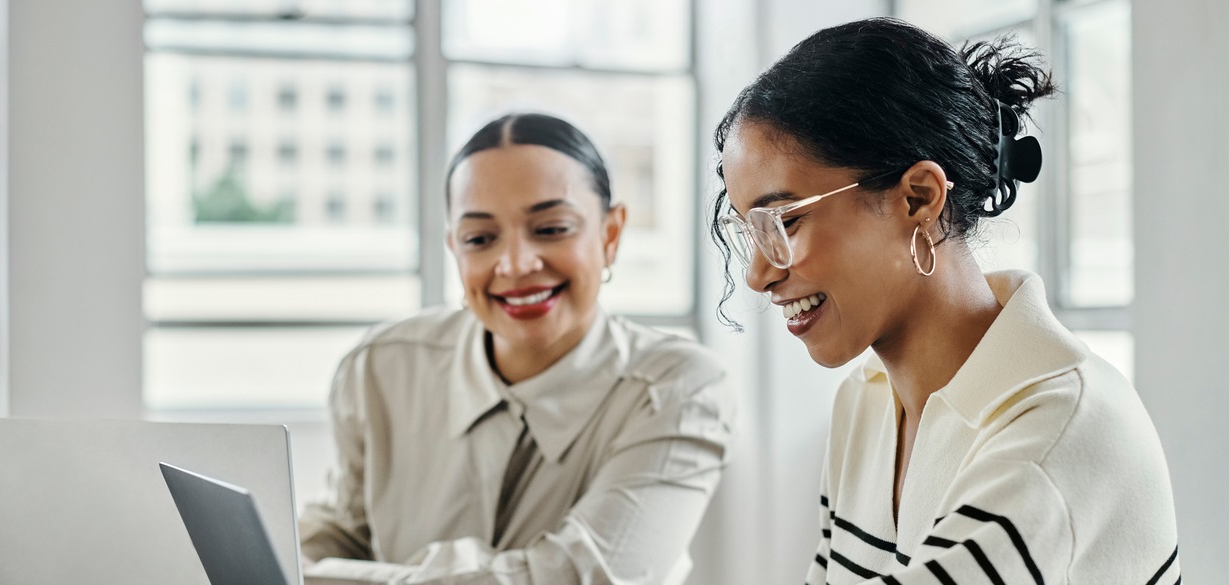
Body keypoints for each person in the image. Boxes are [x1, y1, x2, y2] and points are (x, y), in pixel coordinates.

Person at [711, 18, 1179, 585]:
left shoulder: (1058, 429)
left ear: (919, 197)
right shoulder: (864, 404)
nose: (758, 275)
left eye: (784, 220)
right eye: (750, 231)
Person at [298, 113, 736, 585]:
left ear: (610, 236)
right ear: (455, 250)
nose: (515, 264)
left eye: (550, 229)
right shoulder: (380, 368)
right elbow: (334, 535)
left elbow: (581, 577)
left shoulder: (679, 388)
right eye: (480, 239)